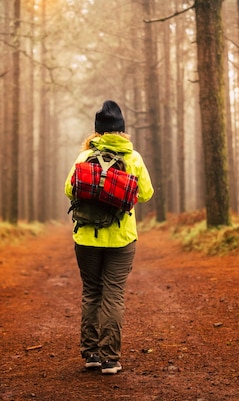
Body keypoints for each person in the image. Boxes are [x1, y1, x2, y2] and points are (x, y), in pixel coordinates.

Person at [64, 100, 154, 374]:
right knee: (113, 294)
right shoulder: (133, 158)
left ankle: (91, 354)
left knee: (92, 292)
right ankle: (110, 359)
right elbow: (147, 193)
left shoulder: (84, 157)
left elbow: (69, 190)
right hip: (122, 239)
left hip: (87, 238)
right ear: (121, 130)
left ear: (97, 131)